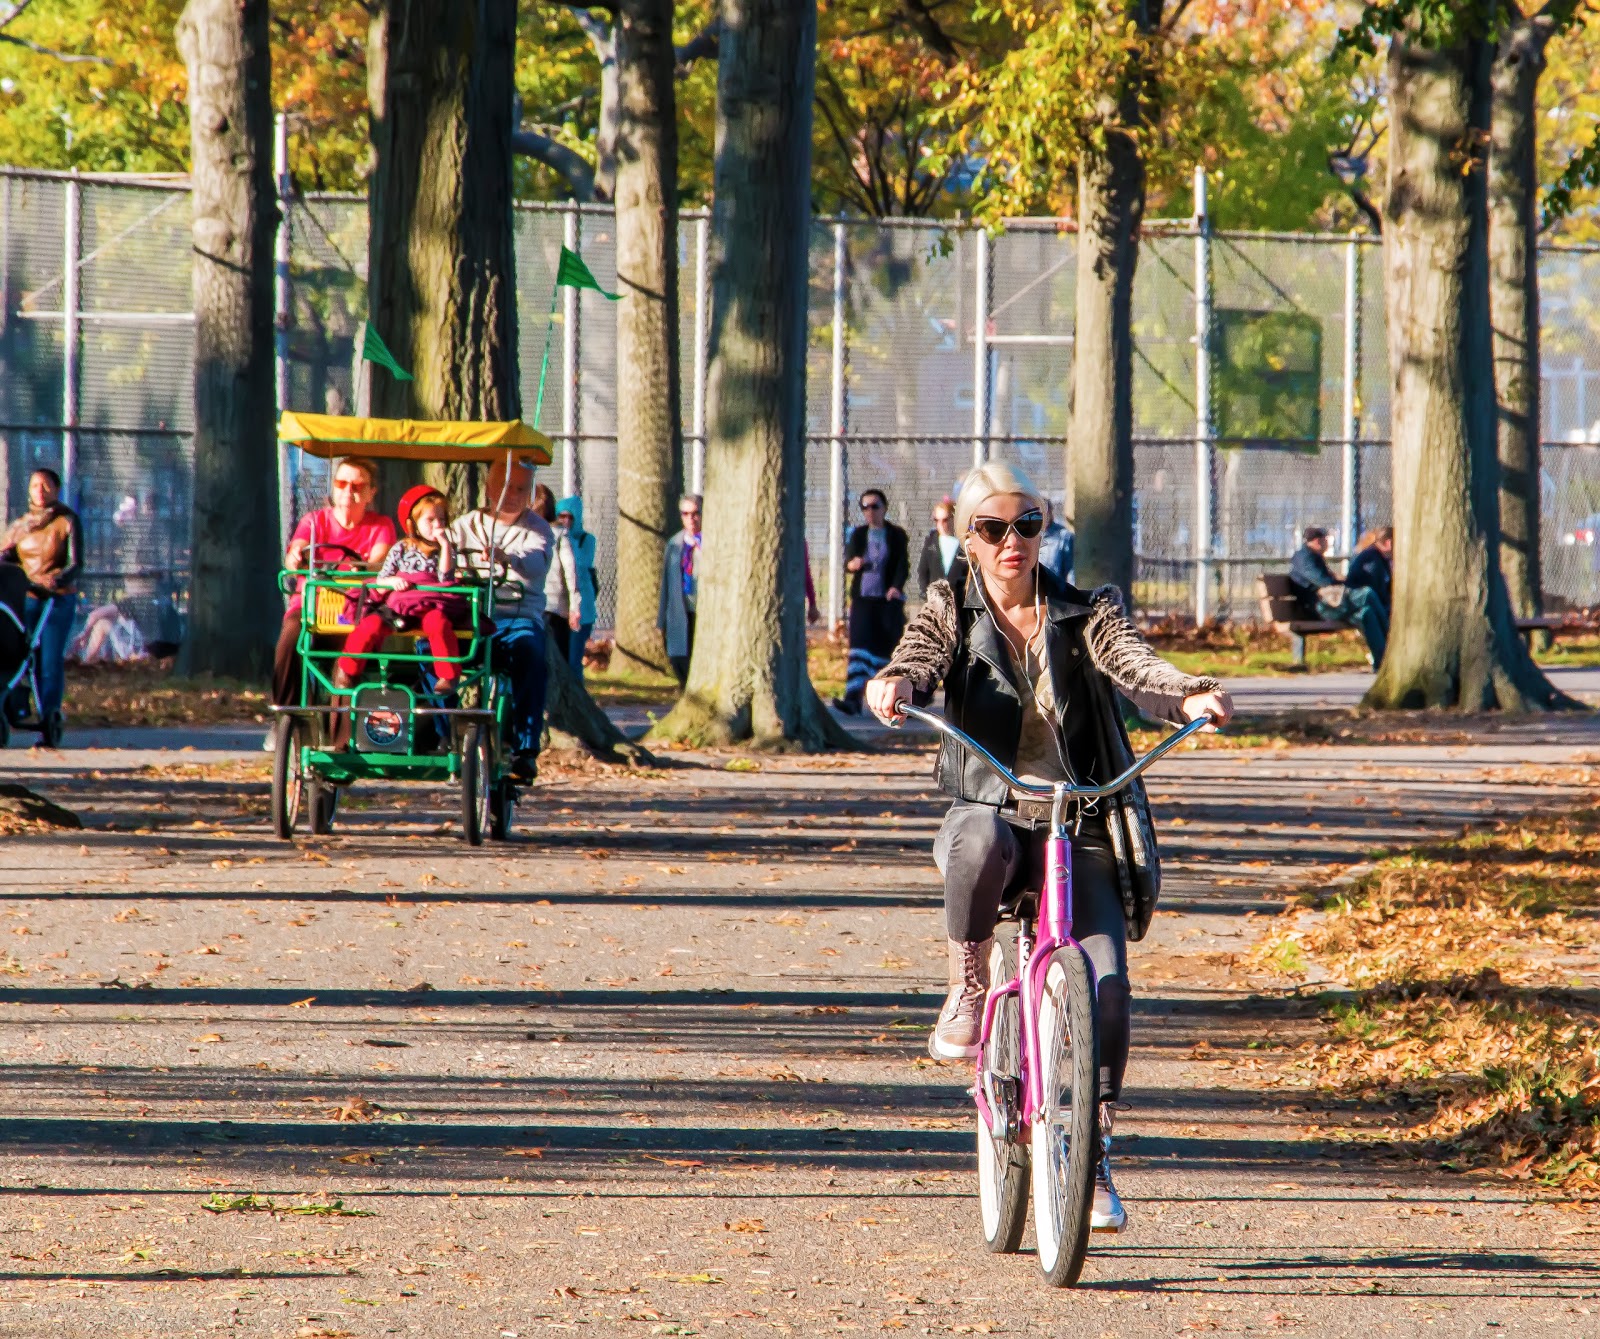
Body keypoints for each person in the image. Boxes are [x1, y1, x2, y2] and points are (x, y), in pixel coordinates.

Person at [864, 460, 1232, 1235]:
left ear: (1044, 530)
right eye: (993, 528)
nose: (1011, 543)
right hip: (993, 807)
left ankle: (1092, 1147)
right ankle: (970, 980)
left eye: (1027, 525)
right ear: (968, 537)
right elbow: (922, 655)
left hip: (1080, 817)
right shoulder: (948, 603)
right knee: (975, 839)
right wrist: (896, 680)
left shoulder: (1084, 608)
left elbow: (1136, 666)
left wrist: (1189, 692)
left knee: (1105, 987)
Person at [451, 456, 562, 781]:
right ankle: (442, 730)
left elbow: (536, 563)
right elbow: (438, 549)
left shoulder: (538, 529)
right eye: (504, 486)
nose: (511, 494)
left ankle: (525, 751)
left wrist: (508, 557)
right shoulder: (466, 524)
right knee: (427, 647)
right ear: (489, 487)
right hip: (470, 617)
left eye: (520, 488)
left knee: (531, 652)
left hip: (516, 618)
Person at [273, 456, 396, 707]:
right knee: (290, 637)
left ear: (371, 493)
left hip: (352, 610)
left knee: (348, 660)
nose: (348, 492)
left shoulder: (380, 526)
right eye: (341, 484)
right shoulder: (314, 521)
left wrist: (362, 568)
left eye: (357, 486)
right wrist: (296, 556)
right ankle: (286, 712)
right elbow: (295, 551)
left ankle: (341, 736)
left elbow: (378, 560)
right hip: (311, 607)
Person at [333, 485, 466, 690]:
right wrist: (392, 582)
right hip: (400, 606)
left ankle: (448, 675)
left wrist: (446, 546)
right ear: (413, 524)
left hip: (431, 604)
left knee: (439, 624)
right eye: (430, 520)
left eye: (441, 519)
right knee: (371, 625)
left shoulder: (444, 550)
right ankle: (348, 669)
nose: (437, 525)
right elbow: (382, 578)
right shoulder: (402, 548)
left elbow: (445, 578)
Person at [1, 467, 83, 727]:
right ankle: (16, 706)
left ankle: (50, 712)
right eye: (35, 485)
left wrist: (57, 579)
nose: (40, 491)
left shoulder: (66, 521)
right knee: (21, 656)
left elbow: (76, 563)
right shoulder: (21, 526)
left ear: (57, 490)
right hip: (27, 599)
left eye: (46, 485)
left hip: (56, 599)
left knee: (48, 659)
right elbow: (9, 557)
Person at [834, 488, 909, 715]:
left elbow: (902, 565)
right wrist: (852, 564)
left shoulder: (896, 535)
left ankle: (892, 701)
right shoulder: (858, 534)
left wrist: (895, 587)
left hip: (886, 601)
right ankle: (853, 698)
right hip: (863, 600)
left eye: (875, 506)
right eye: (865, 507)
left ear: (884, 508)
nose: (870, 511)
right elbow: (848, 561)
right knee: (859, 648)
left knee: (885, 650)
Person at [1289, 524, 1388, 667]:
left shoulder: (1312, 556)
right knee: (1367, 594)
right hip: (1321, 607)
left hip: (1330, 605)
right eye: (1325, 540)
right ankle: (1390, 644)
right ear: (1318, 541)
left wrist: (1338, 580)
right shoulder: (1305, 558)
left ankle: (1382, 662)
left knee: (1367, 613)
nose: (1327, 543)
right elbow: (1323, 581)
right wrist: (1338, 581)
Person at [532, 484, 582, 663]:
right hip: (548, 607)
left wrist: (574, 605)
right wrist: (574, 605)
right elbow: (571, 571)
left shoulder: (556, 534)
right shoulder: (559, 534)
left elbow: (571, 570)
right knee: (557, 660)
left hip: (542, 606)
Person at [659, 494, 702, 686]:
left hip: (704, 613)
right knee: (679, 659)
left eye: (695, 513)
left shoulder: (713, 543)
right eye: (685, 513)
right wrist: (662, 620)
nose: (691, 519)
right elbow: (666, 585)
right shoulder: (675, 544)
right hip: (680, 612)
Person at [556, 495, 599, 674]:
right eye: (562, 516)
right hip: (559, 608)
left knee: (574, 661)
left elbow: (580, 565)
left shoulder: (585, 540)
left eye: (570, 517)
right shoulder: (554, 537)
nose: (565, 521)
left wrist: (566, 543)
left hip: (582, 608)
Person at [916, 499, 960, 598]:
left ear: (954, 518)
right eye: (937, 520)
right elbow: (923, 570)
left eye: (945, 520)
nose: (940, 524)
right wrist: (926, 593)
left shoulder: (964, 541)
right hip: (936, 600)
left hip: (959, 600)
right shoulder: (931, 541)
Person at [1345, 525, 1393, 615]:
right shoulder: (1371, 559)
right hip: (1362, 607)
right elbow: (1375, 590)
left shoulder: (1380, 557)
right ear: (1388, 543)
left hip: (1371, 605)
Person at [1038, 498, 1075, 586]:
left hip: (1054, 592)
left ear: (1050, 513)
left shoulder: (1064, 536)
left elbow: (1071, 571)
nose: (1044, 516)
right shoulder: (1027, 536)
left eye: (1046, 512)